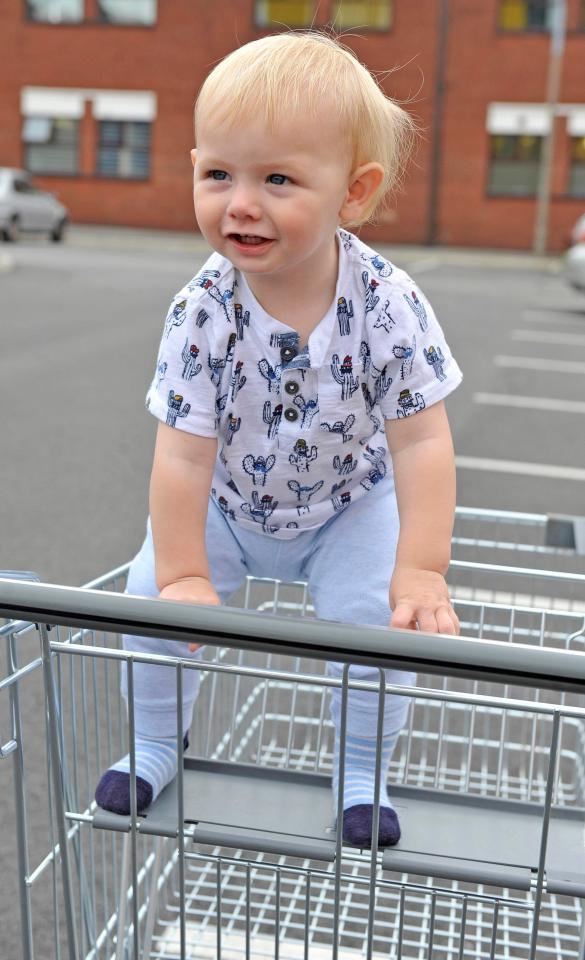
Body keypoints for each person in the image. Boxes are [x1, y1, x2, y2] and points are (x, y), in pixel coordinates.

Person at [95, 30, 462, 848]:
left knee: (376, 621)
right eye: (217, 173)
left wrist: (421, 566)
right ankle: (156, 743)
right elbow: (183, 452)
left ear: (353, 193)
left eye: (278, 179)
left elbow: (420, 443)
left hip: (346, 507)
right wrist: (186, 573)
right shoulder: (203, 309)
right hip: (224, 508)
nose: (240, 202)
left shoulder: (385, 303)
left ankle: (363, 767)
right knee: (148, 597)